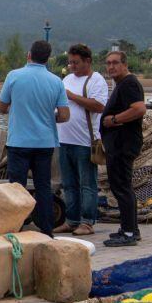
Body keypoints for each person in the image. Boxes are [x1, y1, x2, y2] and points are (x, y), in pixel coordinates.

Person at [0, 40, 70, 232]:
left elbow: (1, 107)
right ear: (48, 59)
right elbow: (64, 115)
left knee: (16, 188)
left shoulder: (13, 76)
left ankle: (15, 229)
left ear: (29, 55)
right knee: (43, 187)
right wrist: (48, 117)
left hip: (19, 142)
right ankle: (46, 230)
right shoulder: (56, 81)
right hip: (45, 143)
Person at [55, 44, 109, 236]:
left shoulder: (97, 80)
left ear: (88, 61)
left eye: (75, 62)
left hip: (85, 142)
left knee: (87, 184)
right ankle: (71, 220)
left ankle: (87, 221)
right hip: (64, 140)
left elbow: (99, 106)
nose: (72, 66)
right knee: (68, 184)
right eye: (70, 62)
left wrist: (72, 96)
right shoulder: (67, 79)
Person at [100, 51, 147, 246]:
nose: (111, 67)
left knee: (122, 187)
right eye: (108, 63)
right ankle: (131, 228)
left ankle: (128, 233)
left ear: (125, 64)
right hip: (119, 144)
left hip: (123, 144)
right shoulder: (122, 84)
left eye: (115, 63)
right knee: (122, 186)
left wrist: (113, 119)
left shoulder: (128, 83)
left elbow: (139, 109)